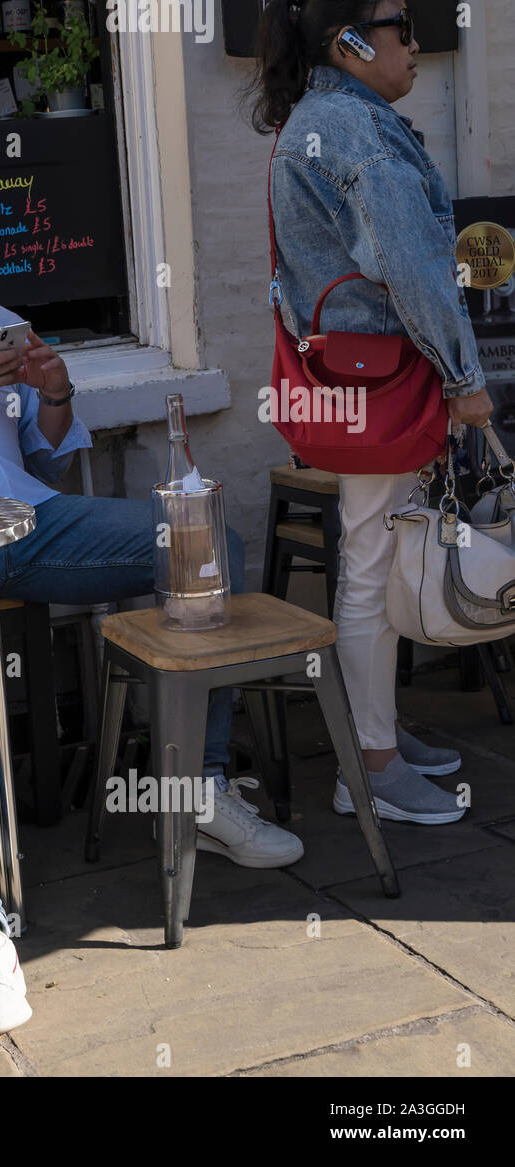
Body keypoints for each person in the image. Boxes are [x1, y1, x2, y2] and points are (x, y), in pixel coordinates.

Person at [0, 149, 304, 875]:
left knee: (204, 542)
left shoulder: (0, 318)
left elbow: (49, 457)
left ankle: (201, 785)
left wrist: (58, 392)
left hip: (24, 517)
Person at [252, 0, 492, 823]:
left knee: (380, 558)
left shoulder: (325, 121)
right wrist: (465, 376)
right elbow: (416, 268)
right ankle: (370, 765)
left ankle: (378, 733)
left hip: (363, 379)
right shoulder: (352, 131)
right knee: (369, 564)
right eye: (402, 25)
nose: (417, 43)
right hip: (385, 384)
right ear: (352, 42)